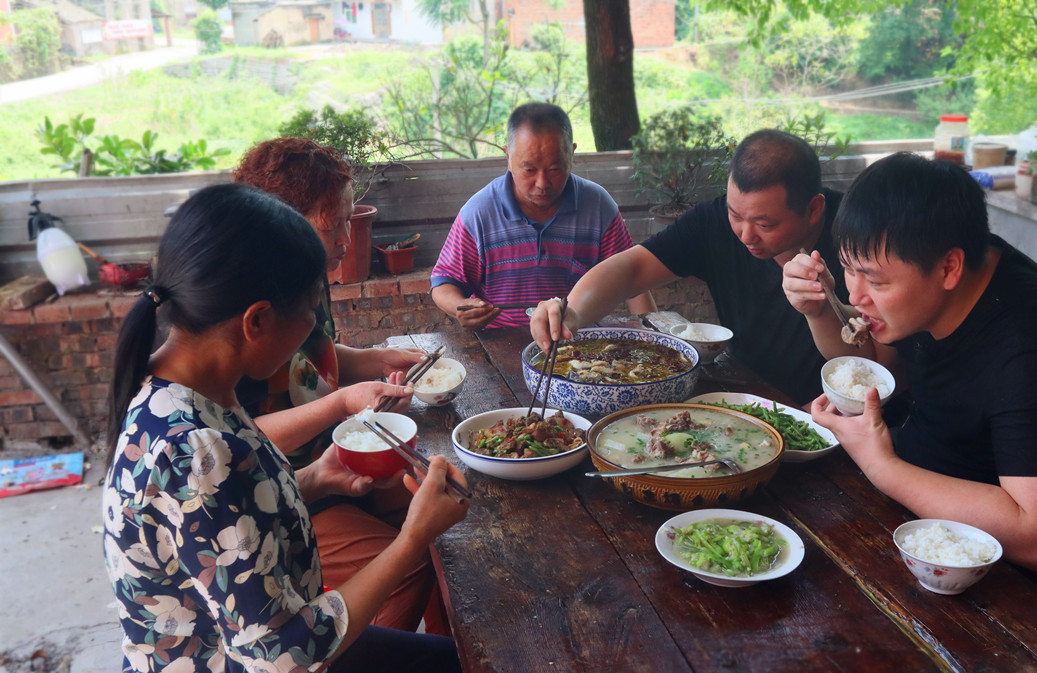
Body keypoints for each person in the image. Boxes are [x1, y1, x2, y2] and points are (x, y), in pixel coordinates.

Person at [102, 183, 470, 672]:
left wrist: (315, 479)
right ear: (256, 320)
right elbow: (282, 658)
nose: (312, 334)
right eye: (309, 312)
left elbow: (216, 524)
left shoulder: (179, 387)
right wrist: (414, 537)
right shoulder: (196, 451)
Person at [781, 152, 1037, 591]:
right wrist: (819, 311)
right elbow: (885, 367)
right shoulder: (934, 276)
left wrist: (881, 465)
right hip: (916, 497)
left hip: (980, 571)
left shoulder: (1036, 352)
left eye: (875, 281)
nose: (855, 294)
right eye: (846, 269)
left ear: (949, 268)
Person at [232, 137, 439, 634]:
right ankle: (373, 651)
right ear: (284, 225)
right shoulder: (245, 309)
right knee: (410, 563)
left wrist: (377, 359)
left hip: (339, 462)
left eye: (352, 218)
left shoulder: (307, 275)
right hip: (287, 493)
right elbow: (238, 440)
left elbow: (311, 362)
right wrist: (340, 404)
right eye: (336, 222)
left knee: (446, 517)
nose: (349, 236)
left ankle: (449, 649)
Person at [531, 129, 846, 405]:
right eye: (736, 216)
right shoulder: (714, 221)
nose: (746, 235)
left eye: (764, 223)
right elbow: (631, 268)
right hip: (745, 397)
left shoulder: (859, 238)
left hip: (835, 419)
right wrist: (572, 312)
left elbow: (884, 360)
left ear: (814, 209)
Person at [431, 102, 655, 331]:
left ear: (572, 154)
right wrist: (460, 307)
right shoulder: (479, 213)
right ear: (508, 156)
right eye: (529, 170)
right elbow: (444, 281)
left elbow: (631, 278)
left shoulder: (598, 207)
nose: (542, 184)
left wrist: (652, 333)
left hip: (576, 341)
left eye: (555, 169)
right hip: (502, 341)